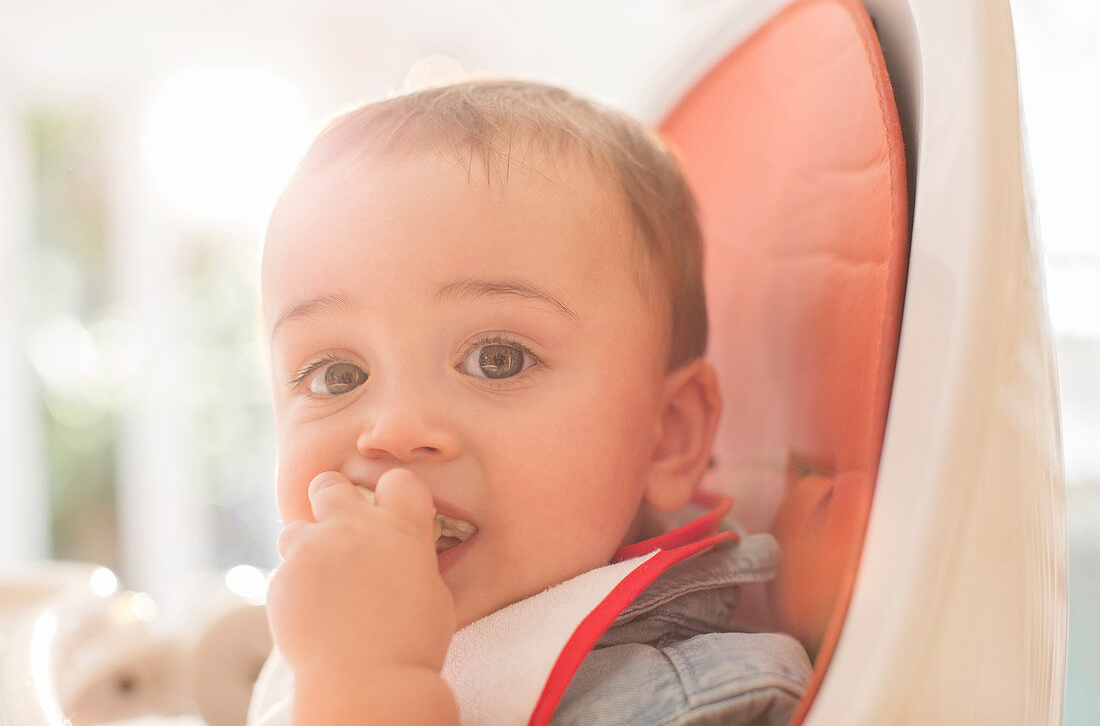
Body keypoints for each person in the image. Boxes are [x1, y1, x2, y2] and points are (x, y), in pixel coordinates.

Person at [252, 78, 811, 725]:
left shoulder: (700, 702)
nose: (393, 429)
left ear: (667, 435)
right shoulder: (323, 637)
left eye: (498, 358)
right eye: (336, 375)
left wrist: (367, 685)